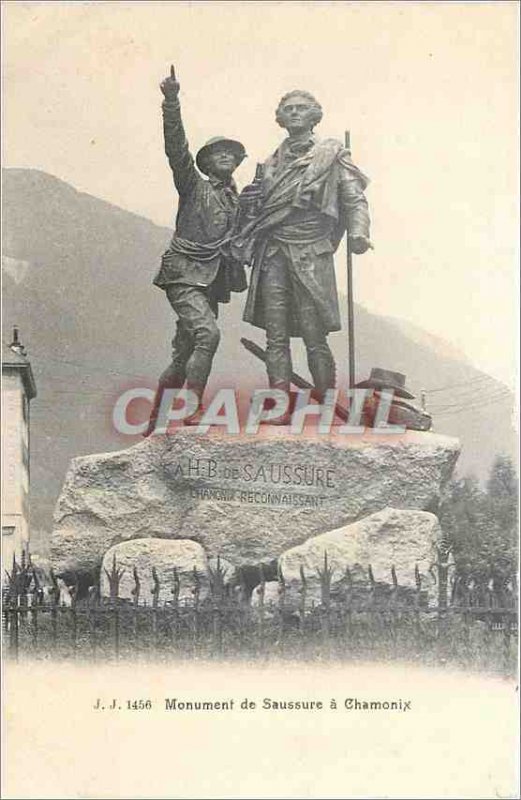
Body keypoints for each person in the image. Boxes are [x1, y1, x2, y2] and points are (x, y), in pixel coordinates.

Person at [235, 90, 371, 423]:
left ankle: (325, 407)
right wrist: (249, 203)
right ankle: (279, 406)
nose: (295, 113)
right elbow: (255, 213)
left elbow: (354, 200)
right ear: (280, 117)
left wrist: (358, 232)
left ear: (314, 115)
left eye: (301, 108)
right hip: (273, 252)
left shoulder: (332, 154)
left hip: (311, 250)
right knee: (275, 333)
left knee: (314, 333)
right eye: (288, 109)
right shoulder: (267, 165)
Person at [145, 65, 247, 434]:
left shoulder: (237, 201)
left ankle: (155, 418)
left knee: (185, 352)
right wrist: (171, 101)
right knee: (209, 335)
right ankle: (190, 410)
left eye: (232, 155)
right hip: (184, 272)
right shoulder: (193, 185)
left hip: (211, 281)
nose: (226, 157)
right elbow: (176, 149)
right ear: (205, 161)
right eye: (219, 153)